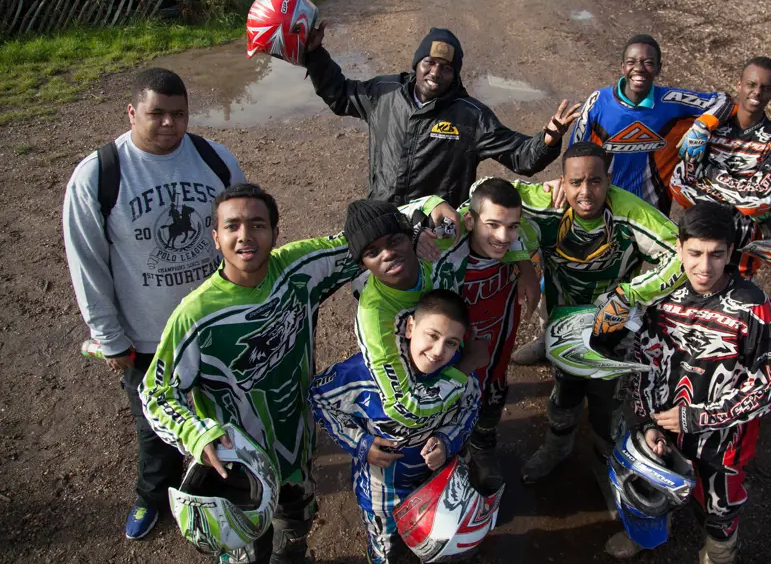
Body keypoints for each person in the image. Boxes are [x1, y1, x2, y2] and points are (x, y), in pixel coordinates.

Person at [140, 184, 447, 563]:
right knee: (246, 550)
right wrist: (196, 432)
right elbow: (156, 393)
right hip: (238, 468)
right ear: (215, 237)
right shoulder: (196, 315)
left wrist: (429, 208)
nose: (245, 236)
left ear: (274, 232)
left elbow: (370, 233)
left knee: (295, 525)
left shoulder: (299, 267)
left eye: (257, 225)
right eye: (232, 226)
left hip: (297, 445)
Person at [62, 67, 245, 540]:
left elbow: (242, 233)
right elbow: (88, 263)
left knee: (225, 408)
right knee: (156, 426)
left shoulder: (215, 160)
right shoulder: (98, 175)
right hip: (148, 337)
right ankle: (151, 495)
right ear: (131, 112)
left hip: (212, 326)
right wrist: (109, 337)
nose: (169, 124)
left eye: (179, 114)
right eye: (156, 114)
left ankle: (224, 482)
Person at [606, 202, 771, 561]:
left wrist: (700, 417)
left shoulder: (753, 307)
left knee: (721, 506)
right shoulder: (659, 295)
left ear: (730, 252)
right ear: (678, 247)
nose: (704, 267)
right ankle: (647, 532)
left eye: (716, 255)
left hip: (722, 437)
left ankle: (718, 553)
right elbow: (645, 359)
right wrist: (645, 421)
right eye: (695, 253)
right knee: (649, 483)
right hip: (664, 424)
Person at [498, 142, 686, 486]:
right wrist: (520, 260)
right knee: (566, 385)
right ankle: (558, 445)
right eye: (575, 182)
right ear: (562, 182)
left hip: (613, 323)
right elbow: (485, 194)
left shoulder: (631, 212)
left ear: (609, 180)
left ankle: (608, 451)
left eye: (595, 181)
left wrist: (631, 293)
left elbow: (681, 254)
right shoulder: (546, 200)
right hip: (562, 318)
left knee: (607, 393)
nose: (586, 192)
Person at [304, 25, 581, 208]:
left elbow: (521, 157)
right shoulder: (383, 93)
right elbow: (339, 95)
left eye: (446, 68)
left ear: (455, 74)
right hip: (385, 220)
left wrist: (548, 139)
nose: (436, 73)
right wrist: (315, 54)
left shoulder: (471, 117)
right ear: (417, 64)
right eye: (430, 63)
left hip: (439, 232)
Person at [311, 289, 482, 564]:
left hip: (436, 481)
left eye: (451, 343)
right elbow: (319, 398)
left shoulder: (461, 371)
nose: (438, 352)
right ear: (410, 327)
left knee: (437, 538)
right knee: (387, 549)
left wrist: (446, 441)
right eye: (433, 335)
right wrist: (360, 443)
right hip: (382, 490)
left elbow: (471, 407)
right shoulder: (363, 374)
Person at [343, 197, 533, 437]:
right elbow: (405, 408)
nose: (389, 253)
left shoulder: (438, 244)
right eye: (373, 251)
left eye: (395, 240)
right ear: (363, 264)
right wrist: (465, 366)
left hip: (462, 370)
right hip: (426, 423)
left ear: (411, 237)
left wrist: (524, 265)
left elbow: (497, 206)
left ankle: (481, 446)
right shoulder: (376, 319)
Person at [431, 178, 538, 488]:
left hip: (497, 347)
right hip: (452, 353)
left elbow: (531, 228)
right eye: (492, 224)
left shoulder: (522, 238)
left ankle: (483, 446)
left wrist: (526, 266)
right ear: (470, 220)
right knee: (447, 402)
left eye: (511, 227)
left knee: (493, 392)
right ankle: (453, 455)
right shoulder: (443, 250)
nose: (503, 237)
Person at [571, 34, 733, 215]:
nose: (638, 68)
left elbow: (725, 101)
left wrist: (702, 126)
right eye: (631, 62)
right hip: (603, 211)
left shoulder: (671, 101)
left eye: (648, 62)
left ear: (658, 68)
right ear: (622, 67)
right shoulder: (598, 102)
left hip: (651, 220)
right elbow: (573, 157)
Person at [671, 56, 771, 277]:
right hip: (696, 242)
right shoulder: (710, 128)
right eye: (751, 84)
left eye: (766, 87)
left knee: (735, 308)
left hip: (741, 252)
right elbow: (681, 185)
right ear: (739, 84)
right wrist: (741, 190)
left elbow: (757, 201)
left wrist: (708, 173)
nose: (756, 92)